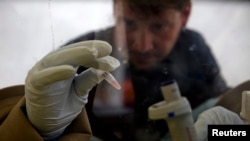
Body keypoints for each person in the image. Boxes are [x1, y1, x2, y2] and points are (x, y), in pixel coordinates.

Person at [0, 0, 230, 141]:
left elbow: (222, 109)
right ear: (115, 7)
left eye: (159, 26)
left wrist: (229, 133)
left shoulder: (194, 48)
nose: (142, 45)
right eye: (128, 23)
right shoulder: (81, 55)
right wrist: (37, 130)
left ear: (185, 15)